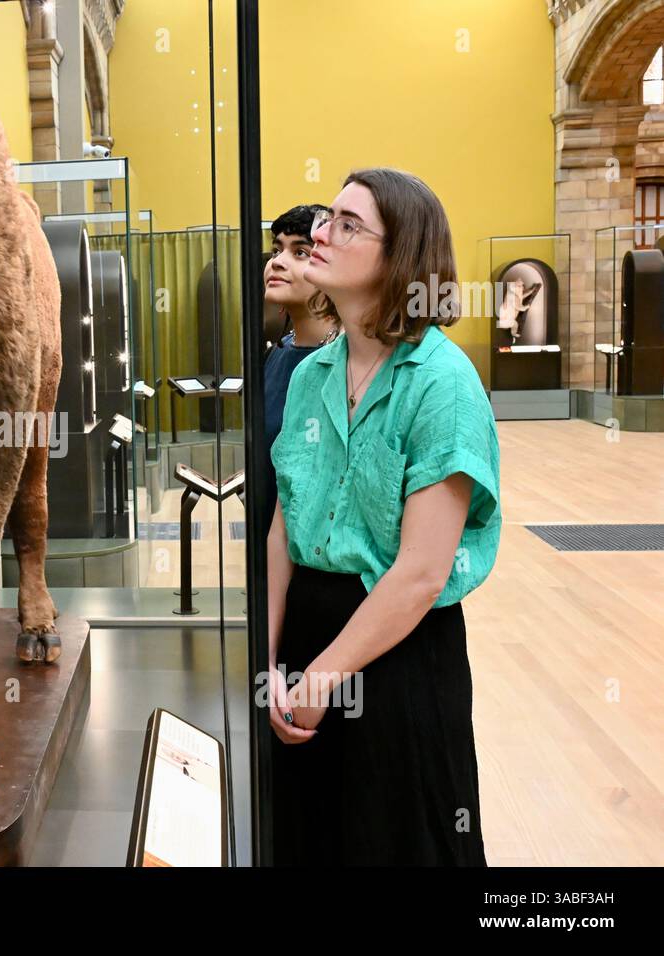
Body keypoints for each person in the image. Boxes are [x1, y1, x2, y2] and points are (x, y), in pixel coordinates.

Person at [265, 168, 502, 865]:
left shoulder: (443, 383)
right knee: (308, 836)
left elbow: (423, 573)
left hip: (397, 656)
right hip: (304, 640)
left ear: (400, 255)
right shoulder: (312, 373)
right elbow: (285, 527)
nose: (318, 233)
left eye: (346, 223)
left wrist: (320, 679)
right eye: (324, 218)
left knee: (397, 838)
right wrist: (273, 661)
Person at [263, 204, 339, 517]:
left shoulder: (344, 361)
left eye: (300, 252)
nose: (277, 263)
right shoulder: (277, 352)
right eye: (276, 249)